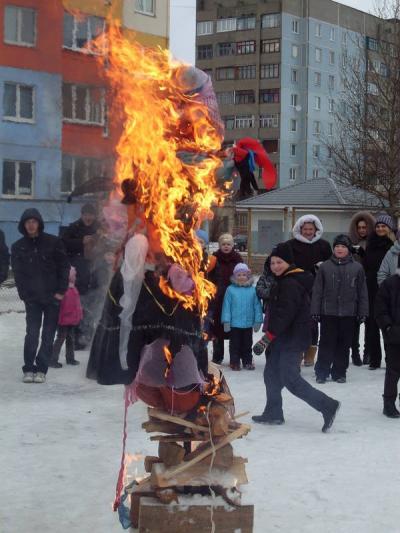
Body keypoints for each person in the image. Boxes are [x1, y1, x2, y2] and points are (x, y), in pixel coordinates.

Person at [252, 243, 340, 432]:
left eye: (279, 262)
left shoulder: (290, 283)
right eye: (273, 263)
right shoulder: (284, 280)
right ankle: (273, 412)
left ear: (289, 263)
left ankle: (327, 405)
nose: (275, 266)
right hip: (282, 338)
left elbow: (285, 315)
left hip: (291, 339)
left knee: (290, 378)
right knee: (271, 375)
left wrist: (267, 338)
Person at [11, 209, 69, 383]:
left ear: (39, 224)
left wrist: (61, 291)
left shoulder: (53, 242)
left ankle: (42, 368)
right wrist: (24, 295)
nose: (31, 225)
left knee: (48, 334)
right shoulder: (18, 246)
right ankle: (29, 368)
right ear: (23, 225)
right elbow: (18, 274)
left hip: (52, 297)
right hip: (33, 299)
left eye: (34, 221)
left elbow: (64, 267)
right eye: (27, 222)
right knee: (32, 333)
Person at [311, 235, 369, 384]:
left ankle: (339, 372)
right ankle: (321, 372)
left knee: (344, 345)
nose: (339, 249)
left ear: (348, 249)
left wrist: (362, 312)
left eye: (343, 246)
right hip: (328, 312)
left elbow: (362, 291)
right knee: (326, 343)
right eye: (337, 246)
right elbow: (317, 290)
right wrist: (315, 310)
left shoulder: (357, 267)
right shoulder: (324, 267)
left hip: (349, 313)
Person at [286, 214, 332, 366]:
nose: (307, 232)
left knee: (313, 321)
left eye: (310, 229)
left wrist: (322, 266)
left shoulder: (324, 245)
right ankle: (298, 351)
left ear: (316, 229)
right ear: (300, 229)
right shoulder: (292, 245)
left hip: (317, 288)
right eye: (305, 229)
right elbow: (287, 264)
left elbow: (330, 265)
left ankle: (310, 353)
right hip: (297, 288)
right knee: (298, 321)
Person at [62, 203, 99, 349]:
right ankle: (76, 339)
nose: (88, 217)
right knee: (78, 308)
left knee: (92, 309)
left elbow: (110, 244)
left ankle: (88, 338)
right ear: (82, 215)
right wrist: (80, 242)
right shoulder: (73, 228)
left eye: (91, 214)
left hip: (96, 275)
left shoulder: (101, 228)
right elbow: (63, 244)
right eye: (85, 214)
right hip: (78, 276)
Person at [363, 214, 395, 369]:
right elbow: (368, 265)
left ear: (389, 228)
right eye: (378, 226)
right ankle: (374, 359)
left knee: (388, 324)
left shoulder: (393, 246)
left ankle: (391, 359)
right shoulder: (370, 244)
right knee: (372, 325)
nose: (380, 229)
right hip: (370, 287)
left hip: (388, 289)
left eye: (383, 226)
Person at [208, 233, 242, 364]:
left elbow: (242, 274)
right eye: (223, 244)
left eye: (229, 244)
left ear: (232, 245)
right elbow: (209, 275)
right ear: (220, 245)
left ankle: (235, 356)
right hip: (218, 297)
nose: (226, 246)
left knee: (233, 327)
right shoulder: (214, 258)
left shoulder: (237, 259)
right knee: (217, 327)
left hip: (234, 296)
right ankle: (217, 355)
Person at [221, 263, 263, 370]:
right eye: (238, 275)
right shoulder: (230, 290)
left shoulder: (253, 290)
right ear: (235, 276)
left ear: (248, 276)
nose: (241, 277)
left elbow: (257, 306)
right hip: (235, 324)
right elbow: (226, 306)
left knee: (247, 344)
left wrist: (258, 320)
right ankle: (234, 362)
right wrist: (226, 321)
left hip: (248, 324)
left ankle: (247, 361)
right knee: (234, 345)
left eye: (244, 275)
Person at [348, 211, 376, 365]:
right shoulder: (349, 243)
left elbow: (373, 264)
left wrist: (364, 254)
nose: (362, 230)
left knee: (370, 321)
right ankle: (355, 352)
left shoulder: (374, 243)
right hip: (353, 288)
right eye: (359, 228)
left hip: (370, 287)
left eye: (364, 227)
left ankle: (368, 352)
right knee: (354, 322)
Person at [375, 271, 400, 418]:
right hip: (395, 335)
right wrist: (388, 327)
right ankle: (389, 404)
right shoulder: (389, 284)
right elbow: (380, 309)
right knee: (393, 371)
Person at [50, 266, 82, 368]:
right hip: (64, 319)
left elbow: (77, 305)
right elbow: (63, 306)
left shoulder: (73, 288)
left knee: (70, 339)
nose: (75, 277)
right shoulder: (63, 288)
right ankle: (52, 359)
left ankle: (70, 358)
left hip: (72, 319)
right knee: (60, 338)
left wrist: (79, 315)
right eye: (73, 275)